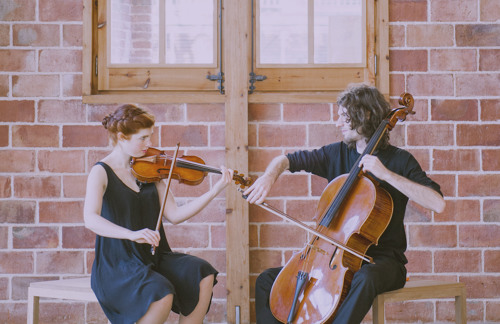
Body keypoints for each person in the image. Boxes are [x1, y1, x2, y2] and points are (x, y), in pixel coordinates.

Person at [244, 84, 445, 324]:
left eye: (344, 117)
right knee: (266, 281)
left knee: (365, 278)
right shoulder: (335, 153)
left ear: (366, 115)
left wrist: (387, 175)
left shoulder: (400, 160)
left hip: (382, 262)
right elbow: (286, 160)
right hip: (331, 260)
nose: (337, 123)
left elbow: (437, 203)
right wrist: (268, 177)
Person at [84, 104, 234, 324]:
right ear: (122, 137)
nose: (149, 144)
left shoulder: (150, 171)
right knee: (161, 293)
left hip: (153, 256)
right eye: (143, 138)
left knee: (202, 273)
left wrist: (215, 191)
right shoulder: (101, 172)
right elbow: (90, 218)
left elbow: (175, 215)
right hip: (118, 263)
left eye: (150, 136)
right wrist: (131, 234)